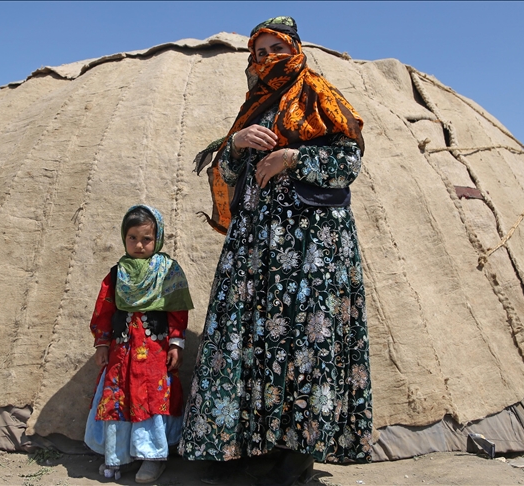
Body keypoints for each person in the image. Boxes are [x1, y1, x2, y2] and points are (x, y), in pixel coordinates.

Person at [181, 16, 372, 486]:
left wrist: (294, 157)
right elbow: (224, 171)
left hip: (311, 250)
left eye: (276, 50)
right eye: (259, 53)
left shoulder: (319, 95)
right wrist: (238, 143)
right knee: (249, 341)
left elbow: (349, 162)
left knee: (303, 344)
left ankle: (295, 460)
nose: (267, 59)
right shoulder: (254, 107)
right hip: (254, 252)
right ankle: (244, 450)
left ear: (295, 50)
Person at [83, 205, 194, 483]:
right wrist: (103, 344)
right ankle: (118, 455)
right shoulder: (117, 273)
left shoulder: (168, 271)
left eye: (146, 238)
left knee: (151, 399)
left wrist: (176, 344)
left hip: (154, 354)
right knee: (118, 399)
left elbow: (177, 311)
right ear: (124, 237)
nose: (139, 245)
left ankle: (152, 458)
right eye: (132, 237)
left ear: (157, 239)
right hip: (123, 351)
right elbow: (105, 310)